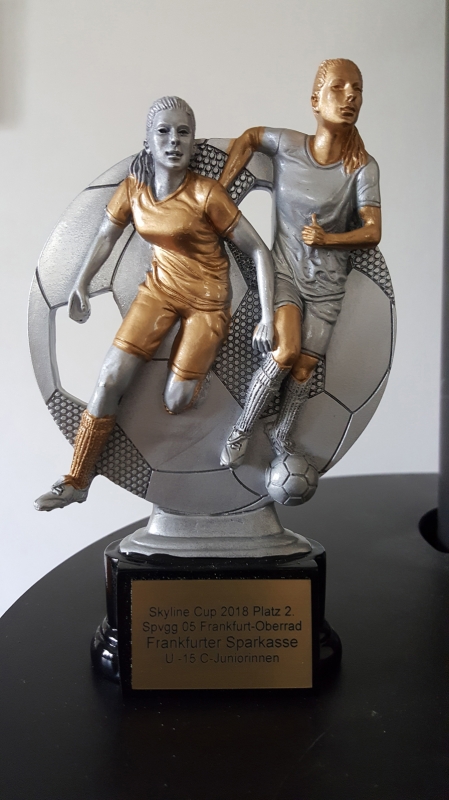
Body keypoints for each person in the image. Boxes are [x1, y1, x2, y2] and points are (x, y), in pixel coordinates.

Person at [35, 96, 274, 511]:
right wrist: (81, 283)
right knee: (110, 378)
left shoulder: (206, 194)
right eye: (163, 131)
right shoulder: (134, 188)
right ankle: (77, 479)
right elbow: (106, 236)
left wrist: (268, 317)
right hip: (159, 290)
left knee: (178, 399)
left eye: (183, 132)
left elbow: (258, 250)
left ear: (193, 142)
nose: (173, 140)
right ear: (148, 140)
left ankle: (211, 398)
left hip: (208, 299)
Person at [219, 59, 382, 468]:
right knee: (285, 351)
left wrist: (330, 240)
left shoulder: (361, 168)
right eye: (338, 87)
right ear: (315, 100)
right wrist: (221, 188)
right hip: (286, 273)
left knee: (306, 368)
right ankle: (241, 430)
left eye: (357, 89)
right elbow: (250, 136)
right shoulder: (289, 145)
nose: (350, 96)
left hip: (328, 285)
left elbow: (373, 231)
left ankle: (282, 432)